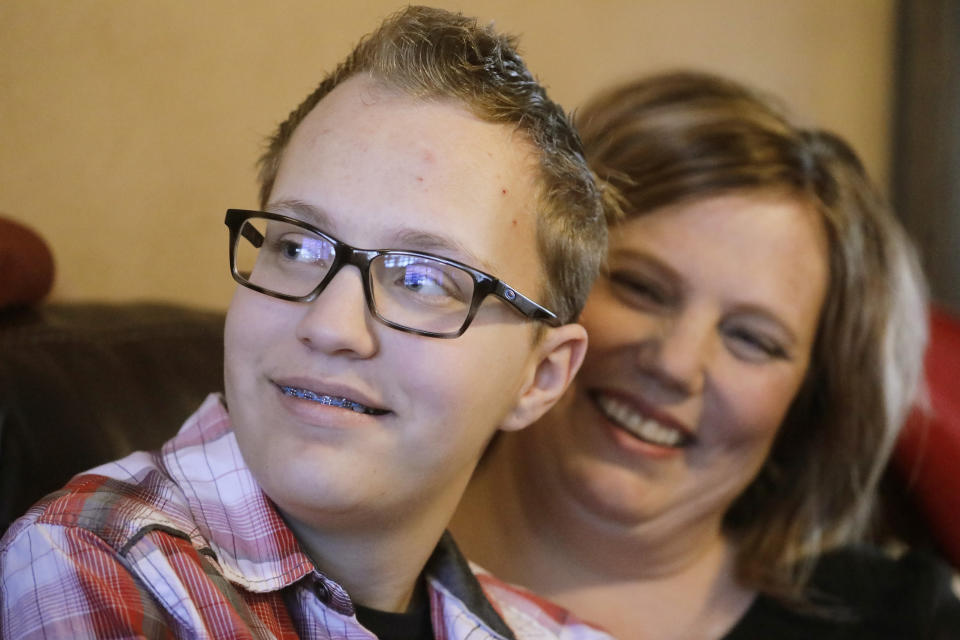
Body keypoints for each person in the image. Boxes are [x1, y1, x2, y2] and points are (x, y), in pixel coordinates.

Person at [0, 7, 615, 639]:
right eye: (296, 247)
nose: (330, 325)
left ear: (540, 377)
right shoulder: (101, 563)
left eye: (423, 278)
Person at [452, 71, 960, 639]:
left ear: (811, 402)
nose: (675, 364)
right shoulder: (348, 555)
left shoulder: (900, 622)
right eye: (642, 288)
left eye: (752, 340)